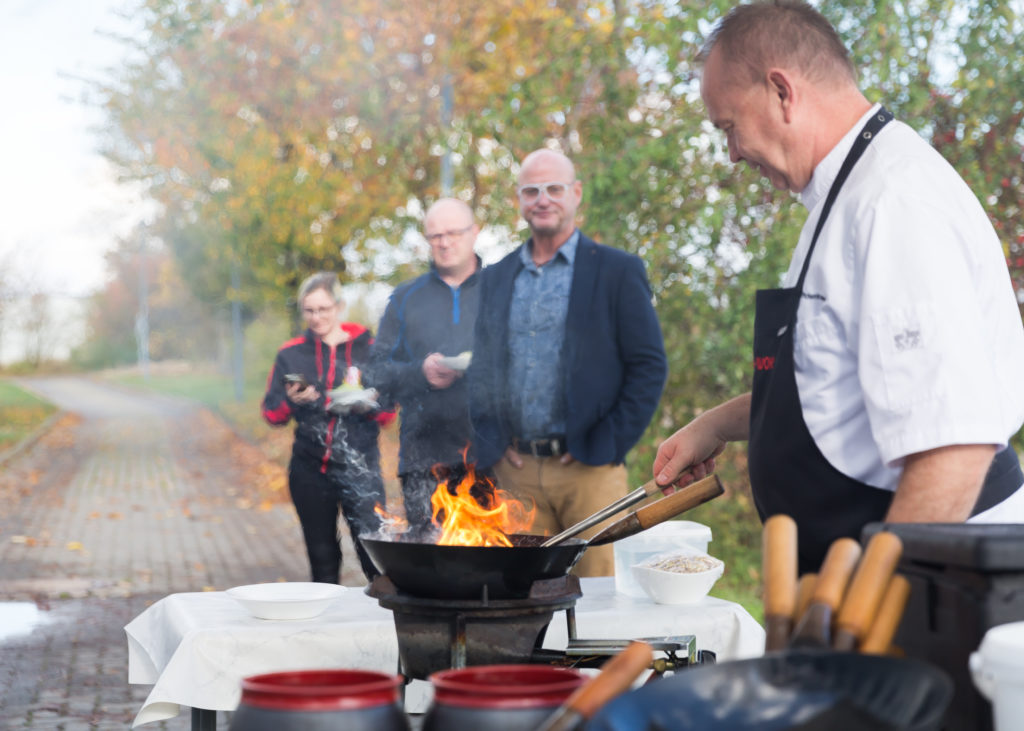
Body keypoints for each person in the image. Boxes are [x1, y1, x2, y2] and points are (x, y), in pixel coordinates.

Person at [653, 0, 1024, 572]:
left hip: (937, 589)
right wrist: (714, 426)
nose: (730, 153)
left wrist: (865, 614)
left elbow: (953, 448)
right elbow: (837, 385)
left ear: (782, 91)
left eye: (729, 126)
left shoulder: (893, 202)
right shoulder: (846, 198)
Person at [469, 148, 668, 576]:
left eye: (554, 189)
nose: (543, 199)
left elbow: (649, 366)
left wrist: (608, 442)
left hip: (590, 471)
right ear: (519, 201)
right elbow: (481, 369)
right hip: (515, 474)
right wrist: (493, 439)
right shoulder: (495, 278)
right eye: (531, 191)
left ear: (576, 194)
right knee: (520, 602)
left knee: (600, 602)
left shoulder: (617, 271)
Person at [262, 272, 393, 583]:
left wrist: (367, 404)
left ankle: (386, 626)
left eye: (324, 309)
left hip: (361, 468)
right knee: (322, 559)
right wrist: (294, 401)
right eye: (309, 311)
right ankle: (328, 629)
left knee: (376, 558)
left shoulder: (371, 349)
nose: (317, 317)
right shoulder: (291, 353)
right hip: (309, 470)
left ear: (339, 306)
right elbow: (271, 414)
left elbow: (388, 414)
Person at [369, 198, 482, 532]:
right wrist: (421, 372)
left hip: (491, 460)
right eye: (435, 236)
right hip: (422, 460)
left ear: (474, 233)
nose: (444, 242)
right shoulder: (405, 298)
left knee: (489, 569)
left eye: (453, 233)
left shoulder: (502, 293)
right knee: (430, 565)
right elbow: (375, 372)